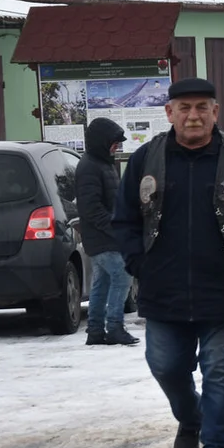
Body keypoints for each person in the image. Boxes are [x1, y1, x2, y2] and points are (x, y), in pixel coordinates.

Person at [113, 77, 224, 448]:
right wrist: (140, 264)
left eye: (202, 107)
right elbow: (124, 221)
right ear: (169, 113)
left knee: (221, 373)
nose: (193, 116)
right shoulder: (146, 160)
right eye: (184, 108)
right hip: (162, 292)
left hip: (222, 293)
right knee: (166, 366)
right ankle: (191, 419)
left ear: (215, 112)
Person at [75, 116, 137, 346]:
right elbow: (92, 209)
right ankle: (114, 327)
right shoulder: (90, 166)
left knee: (102, 283)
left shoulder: (102, 163)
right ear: (102, 141)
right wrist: (118, 228)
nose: (116, 147)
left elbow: (112, 199)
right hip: (103, 237)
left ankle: (95, 330)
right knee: (122, 276)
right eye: (113, 142)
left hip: (102, 237)